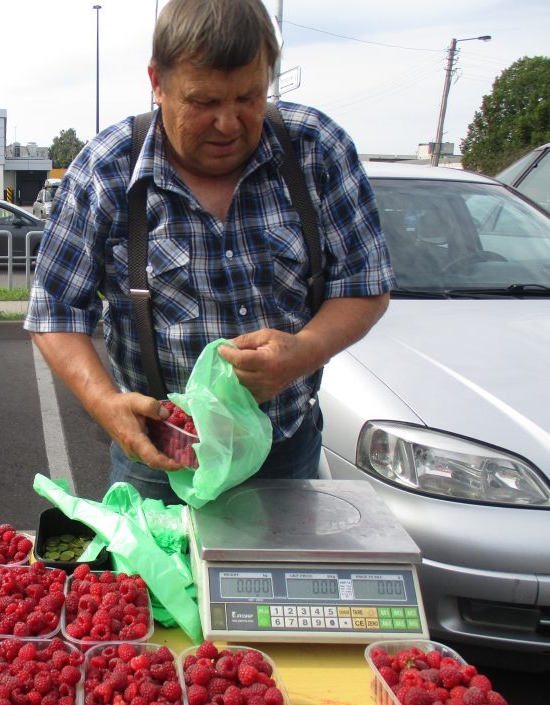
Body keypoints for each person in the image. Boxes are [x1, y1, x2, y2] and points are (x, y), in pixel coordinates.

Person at [24, 0, 395, 504]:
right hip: (161, 461)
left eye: (249, 97)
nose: (228, 123)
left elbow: (364, 285)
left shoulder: (316, 150)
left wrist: (304, 352)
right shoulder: (105, 169)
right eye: (202, 101)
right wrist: (104, 401)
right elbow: (54, 309)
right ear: (157, 82)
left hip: (284, 452)